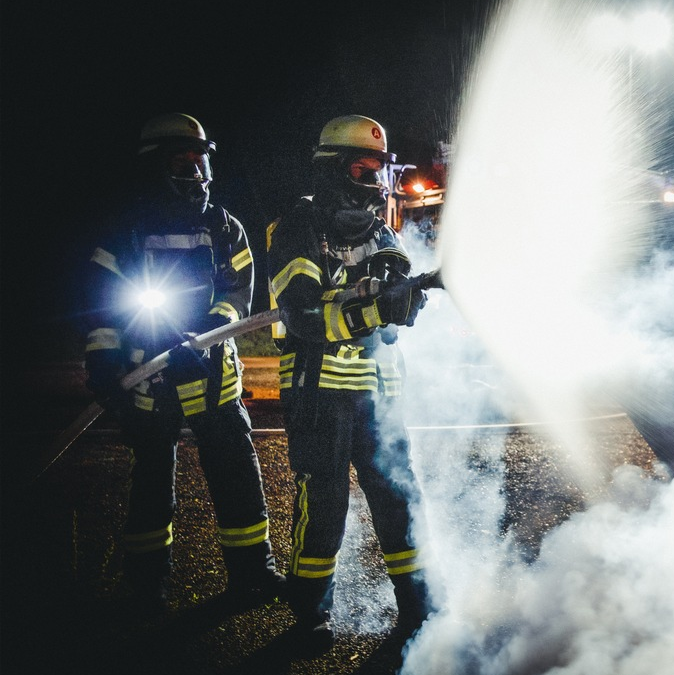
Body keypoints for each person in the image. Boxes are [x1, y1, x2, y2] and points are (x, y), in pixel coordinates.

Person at [80, 112, 286, 614]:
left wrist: (207, 337)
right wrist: (104, 364)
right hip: (151, 382)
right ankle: (146, 585)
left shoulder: (224, 226)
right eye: (183, 163)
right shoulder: (125, 233)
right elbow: (102, 304)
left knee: (236, 474)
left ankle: (252, 573)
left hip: (213, 376)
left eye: (201, 163)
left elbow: (237, 293)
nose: (196, 175)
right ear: (155, 168)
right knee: (150, 484)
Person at [266, 114, 430, 655]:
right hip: (318, 394)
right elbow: (304, 318)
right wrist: (368, 312)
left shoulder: (383, 231)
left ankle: (418, 605)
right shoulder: (297, 228)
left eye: (380, 170)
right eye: (364, 168)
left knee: (398, 497)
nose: (375, 182)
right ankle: (310, 616)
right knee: (325, 505)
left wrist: (407, 299)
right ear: (335, 169)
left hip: (381, 395)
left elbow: (398, 287)